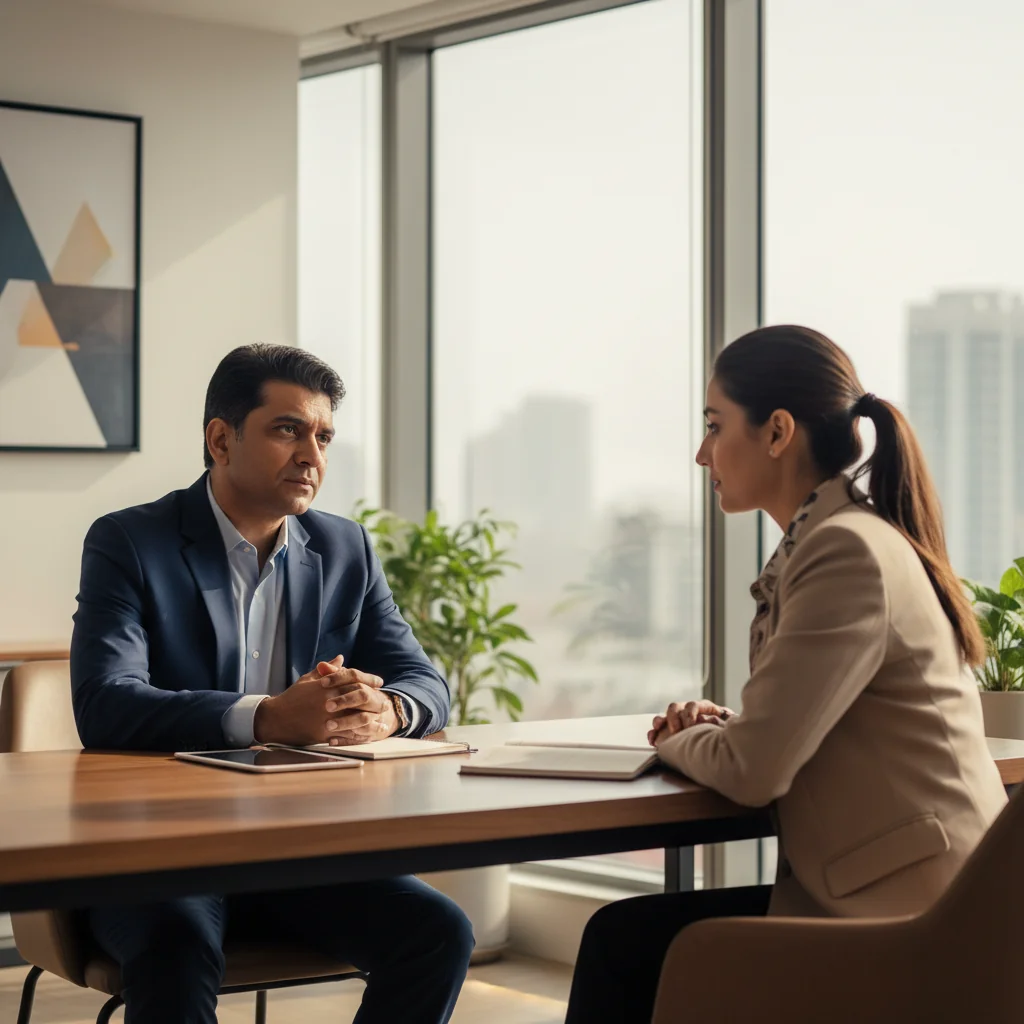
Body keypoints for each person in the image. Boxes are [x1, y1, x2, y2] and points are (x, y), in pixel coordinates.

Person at [565, 325, 1007, 1024]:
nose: (701, 453)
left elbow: (753, 773)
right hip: (918, 898)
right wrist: (729, 731)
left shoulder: (844, 552)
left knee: (624, 946)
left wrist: (673, 738)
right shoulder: (842, 539)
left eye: (715, 426)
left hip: (921, 924)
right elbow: (809, 731)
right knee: (627, 941)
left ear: (777, 432)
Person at [71, 344, 474, 1024]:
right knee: (178, 945)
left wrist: (385, 709)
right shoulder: (129, 542)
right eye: (288, 429)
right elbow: (106, 705)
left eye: (323, 436)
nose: (312, 455)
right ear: (221, 439)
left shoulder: (345, 548)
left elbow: (427, 683)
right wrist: (265, 718)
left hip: (295, 851)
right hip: (161, 850)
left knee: (438, 932)